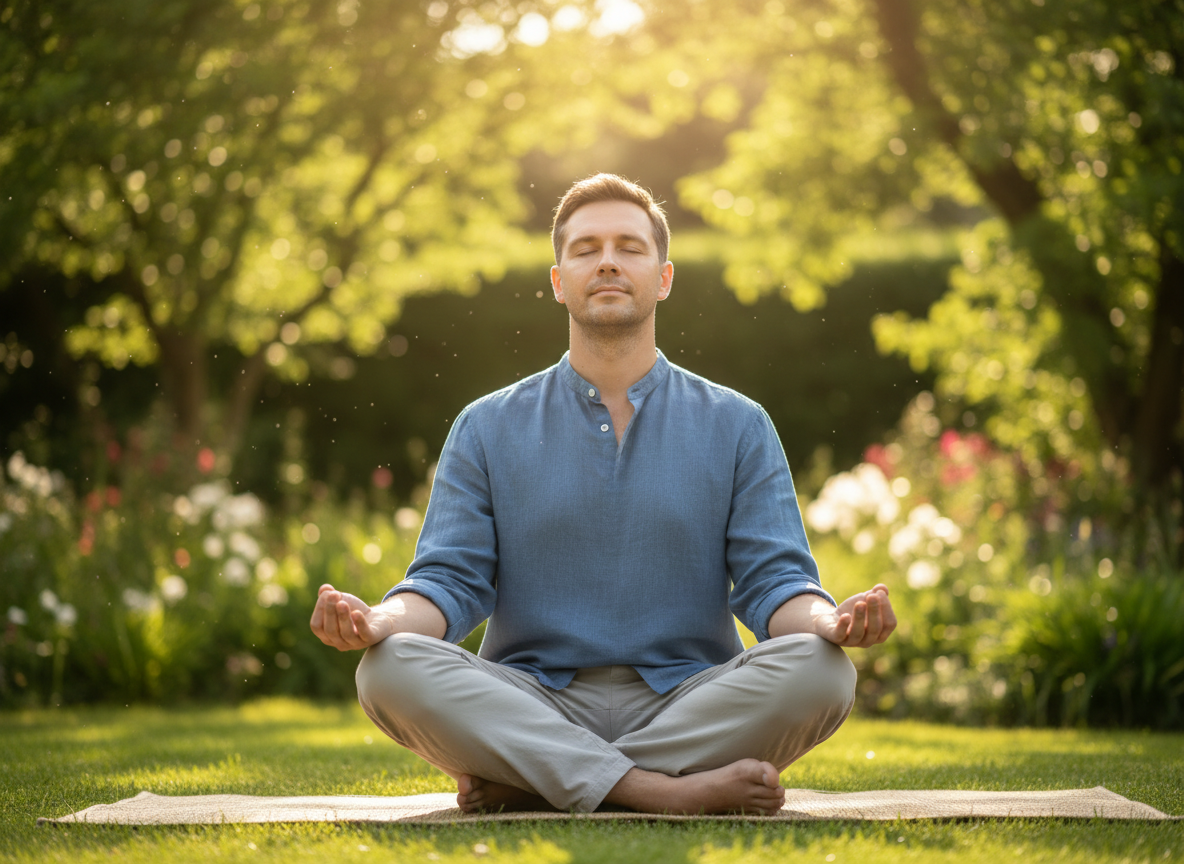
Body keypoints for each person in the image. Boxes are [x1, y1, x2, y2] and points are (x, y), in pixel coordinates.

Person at [310, 174, 896, 816]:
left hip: (691, 700)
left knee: (824, 670)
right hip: (531, 700)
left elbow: (774, 581)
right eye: (586, 248)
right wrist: (379, 622)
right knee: (388, 668)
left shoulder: (738, 423)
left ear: (663, 277)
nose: (608, 260)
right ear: (559, 281)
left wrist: (828, 621)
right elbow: (450, 581)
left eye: (629, 246)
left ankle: (538, 782)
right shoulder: (486, 425)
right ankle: (657, 792)